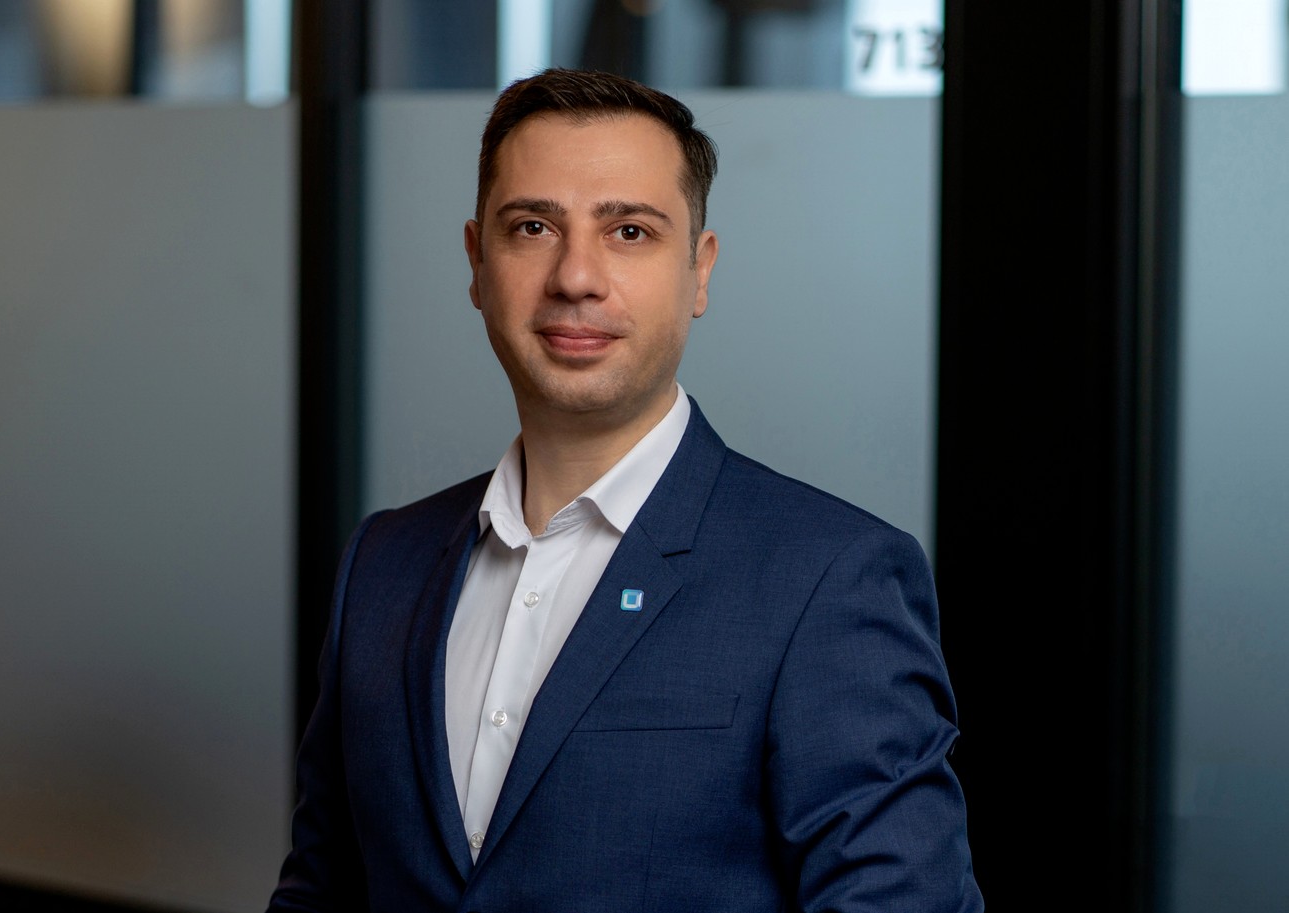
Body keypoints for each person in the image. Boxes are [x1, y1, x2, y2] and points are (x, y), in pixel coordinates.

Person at [268, 67, 983, 913]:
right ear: (477, 262)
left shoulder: (830, 579)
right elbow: (319, 891)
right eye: (533, 227)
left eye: (630, 231)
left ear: (699, 271)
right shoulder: (382, 565)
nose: (576, 276)